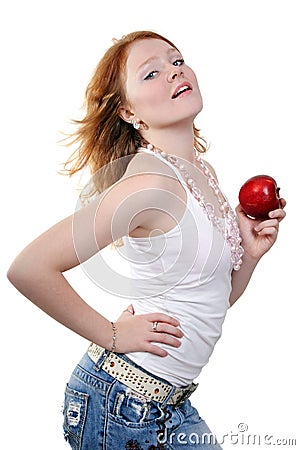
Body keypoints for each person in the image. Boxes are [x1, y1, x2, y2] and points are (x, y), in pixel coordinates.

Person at [7, 30, 286, 449]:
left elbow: (212, 301)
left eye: (176, 62)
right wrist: (112, 335)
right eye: (151, 73)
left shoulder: (200, 173)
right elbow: (28, 268)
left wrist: (249, 254)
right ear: (127, 110)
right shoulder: (149, 184)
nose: (175, 74)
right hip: (123, 404)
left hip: (169, 402)